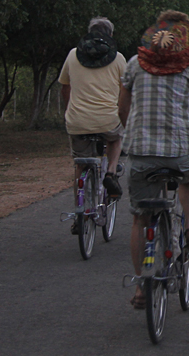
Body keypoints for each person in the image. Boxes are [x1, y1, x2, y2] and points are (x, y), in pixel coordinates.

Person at [119, 10, 189, 310]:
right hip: (179, 149)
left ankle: (142, 287)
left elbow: (122, 107)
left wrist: (133, 133)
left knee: (140, 218)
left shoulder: (134, 64)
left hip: (141, 152)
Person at [58, 17, 126, 233]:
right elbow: (126, 91)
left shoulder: (72, 55)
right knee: (116, 138)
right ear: (110, 36)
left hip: (78, 120)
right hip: (107, 119)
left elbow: (65, 88)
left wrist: (69, 110)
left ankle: (80, 210)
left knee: (81, 164)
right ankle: (111, 173)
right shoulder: (118, 59)